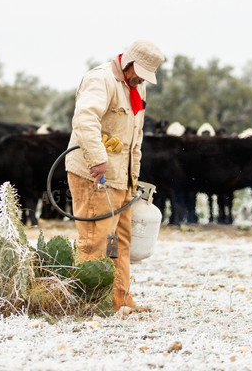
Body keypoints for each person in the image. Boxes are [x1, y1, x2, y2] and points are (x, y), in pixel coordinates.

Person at [66, 39, 165, 312]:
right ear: (129, 62)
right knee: (96, 239)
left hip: (122, 177)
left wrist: (134, 177)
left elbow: (135, 137)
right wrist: (98, 159)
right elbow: (85, 120)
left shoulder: (137, 86)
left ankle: (120, 299)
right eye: (139, 73)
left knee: (120, 239)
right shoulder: (101, 80)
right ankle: (92, 303)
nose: (141, 80)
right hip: (93, 174)